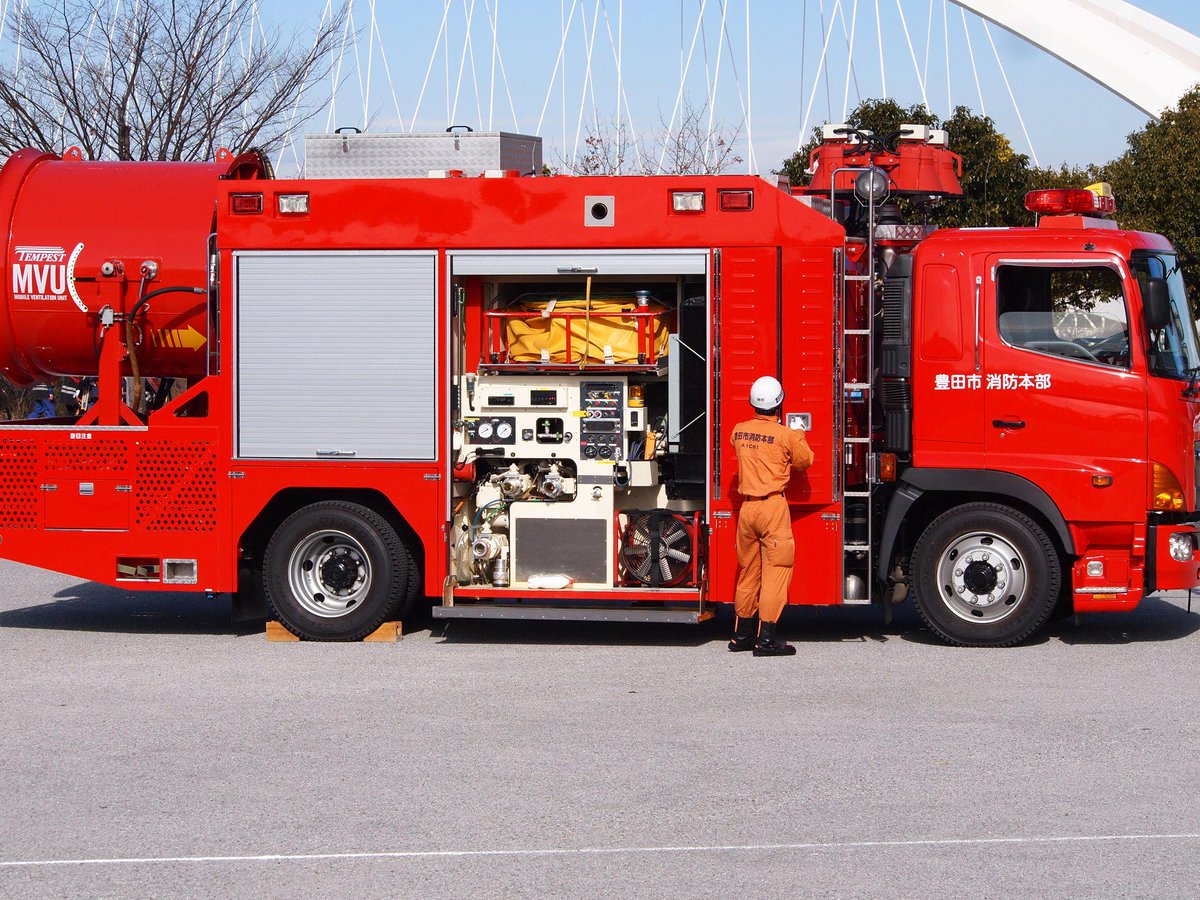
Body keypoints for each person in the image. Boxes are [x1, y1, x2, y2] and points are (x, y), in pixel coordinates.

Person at [728, 375, 814, 656]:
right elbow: (805, 460)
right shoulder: (786, 435)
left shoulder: (739, 431)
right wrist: (798, 432)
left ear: (752, 402)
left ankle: (741, 637)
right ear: (779, 403)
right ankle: (765, 641)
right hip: (772, 507)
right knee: (776, 573)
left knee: (748, 573)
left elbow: (736, 444)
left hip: (747, 509)